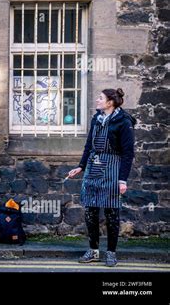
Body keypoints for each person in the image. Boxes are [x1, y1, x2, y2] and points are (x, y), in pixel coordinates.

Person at [68, 88, 136, 267]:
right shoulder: (96, 119)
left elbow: (128, 153)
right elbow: (88, 146)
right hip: (93, 166)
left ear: (110, 102)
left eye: (100, 98)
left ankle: (111, 253)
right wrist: (80, 166)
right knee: (90, 211)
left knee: (111, 212)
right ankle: (93, 251)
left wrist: (122, 180)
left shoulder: (123, 121)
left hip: (113, 167)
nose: (97, 101)